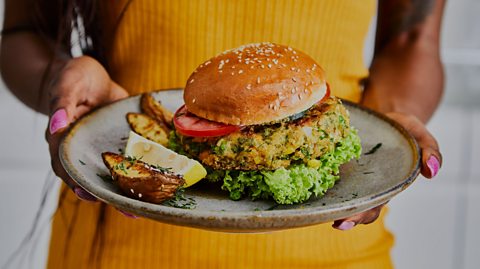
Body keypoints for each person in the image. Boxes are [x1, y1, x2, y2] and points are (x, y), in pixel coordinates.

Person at [1, 0, 444, 268]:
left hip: (337, 242)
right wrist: (66, 80)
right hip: (118, 234)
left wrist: (392, 121)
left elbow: (411, 41)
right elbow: (24, 32)